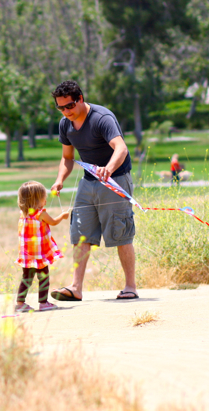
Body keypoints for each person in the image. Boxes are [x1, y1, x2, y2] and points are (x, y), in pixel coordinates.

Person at [49, 80, 139, 301]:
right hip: (88, 181)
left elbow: (121, 148)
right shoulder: (65, 124)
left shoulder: (101, 118)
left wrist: (109, 169)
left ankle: (130, 286)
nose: (66, 112)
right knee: (80, 232)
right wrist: (60, 179)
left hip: (115, 180)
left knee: (120, 232)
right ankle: (76, 288)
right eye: (61, 108)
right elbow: (67, 157)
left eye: (69, 106)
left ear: (80, 99)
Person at [15, 181, 70, 313]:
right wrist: (62, 216)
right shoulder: (41, 214)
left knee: (26, 278)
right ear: (36, 200)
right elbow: (54, 222)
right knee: (43, 278)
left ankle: (20, 303)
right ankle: (43, 303)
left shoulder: (23, 213)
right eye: (43, 198)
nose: (45, 200)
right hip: (39, 254)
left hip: (27, 255)